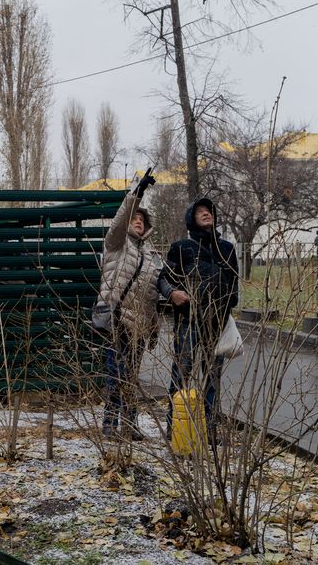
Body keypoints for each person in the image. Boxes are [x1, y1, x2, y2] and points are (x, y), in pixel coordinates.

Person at [157, 198, 238, 440]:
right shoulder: (181, 247)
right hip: (189, 322)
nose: (206, 214)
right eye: (200, 211)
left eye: (209, 211)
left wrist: (229, 303)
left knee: (213, 377)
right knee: (182, 373)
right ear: (191, 218)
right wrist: (172, 293)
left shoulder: (226, 249)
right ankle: (176, 427)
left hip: (218, 323)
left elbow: (234, 282)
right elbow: (163, 279)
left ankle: (210, 429)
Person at [96, 171, 160, 440]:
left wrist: (153, 329)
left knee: (132, 378)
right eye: (134, 219)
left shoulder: (151, 256)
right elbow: (118, 221)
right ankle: (110, 424)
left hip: (139, 328)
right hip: (117, 320)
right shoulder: (116, 245)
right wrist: (137, 193)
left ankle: (130, 426)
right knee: (116, 376)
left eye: (141, 221)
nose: (137, 222)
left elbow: (152, 295)